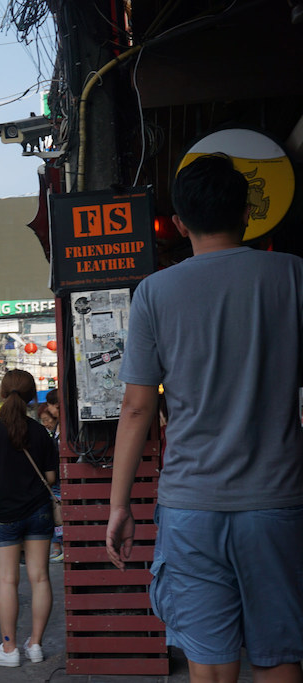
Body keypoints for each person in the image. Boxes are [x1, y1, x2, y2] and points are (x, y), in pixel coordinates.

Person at [106, 154, 303, 683]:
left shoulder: (155, 292)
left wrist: (119, 505)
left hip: (191, 506)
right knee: (280, 654)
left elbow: (137, 408)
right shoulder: (292, 276)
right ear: (248, 214)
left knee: (210, 665)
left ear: (179, 224)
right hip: (277, 501)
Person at [0, 369, 58, 668]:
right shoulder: (40, 431)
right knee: (40, 577)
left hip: (5, 512)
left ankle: (9, 650)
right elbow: (50, 476)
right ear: (29, 395)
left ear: (2, 393)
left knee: (7, 581)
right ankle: (35, 645)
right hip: (38, 511)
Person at [41, 388, 63, 563]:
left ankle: (61, 546)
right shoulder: (57, 429)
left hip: (61, 479)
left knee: (58, 514)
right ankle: (59, 546)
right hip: (57, 478)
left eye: (50, 406)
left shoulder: (65, 428)